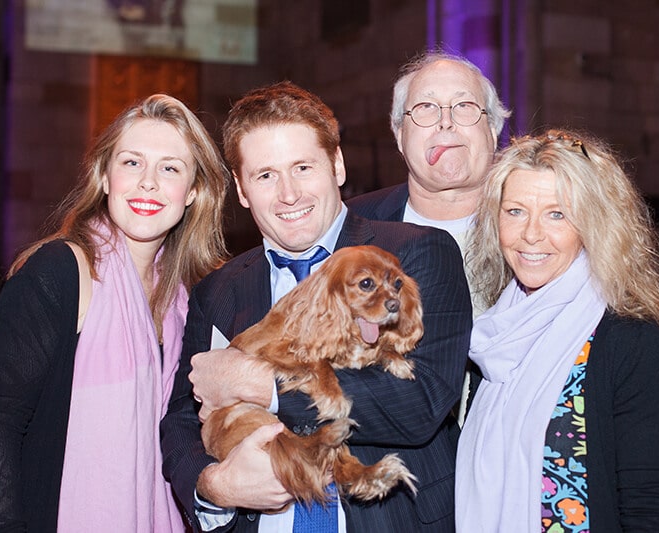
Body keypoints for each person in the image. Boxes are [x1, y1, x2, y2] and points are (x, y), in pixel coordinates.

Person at [160, 81, 471, 532]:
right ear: (242, 190)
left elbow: (420, 400)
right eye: (265, 175)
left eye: (303, 167)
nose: (289, 194)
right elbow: (182, 424)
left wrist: (266, 386)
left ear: (337, 165)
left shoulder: (413, 256)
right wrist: (215, 487)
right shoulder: (218, 291)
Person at [0, 94, 230, 532]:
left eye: (169, 168)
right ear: (105, 177)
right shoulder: (60, 272)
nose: (148, 182)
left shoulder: (190, 303)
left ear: (194, 192)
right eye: (131, 163)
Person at [455, 129, 659, 532]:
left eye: (557, 214)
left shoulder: (629, 340)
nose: (531, 234)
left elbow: (647, 505)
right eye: (515, 211)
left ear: (594, 224)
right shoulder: (494, 336)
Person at [347, 49, 510, 318]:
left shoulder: (537, 228)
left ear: (492, 130)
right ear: (400, 134)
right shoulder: (351, 227)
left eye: (464, 106)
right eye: (426, 108)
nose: (446, 122)